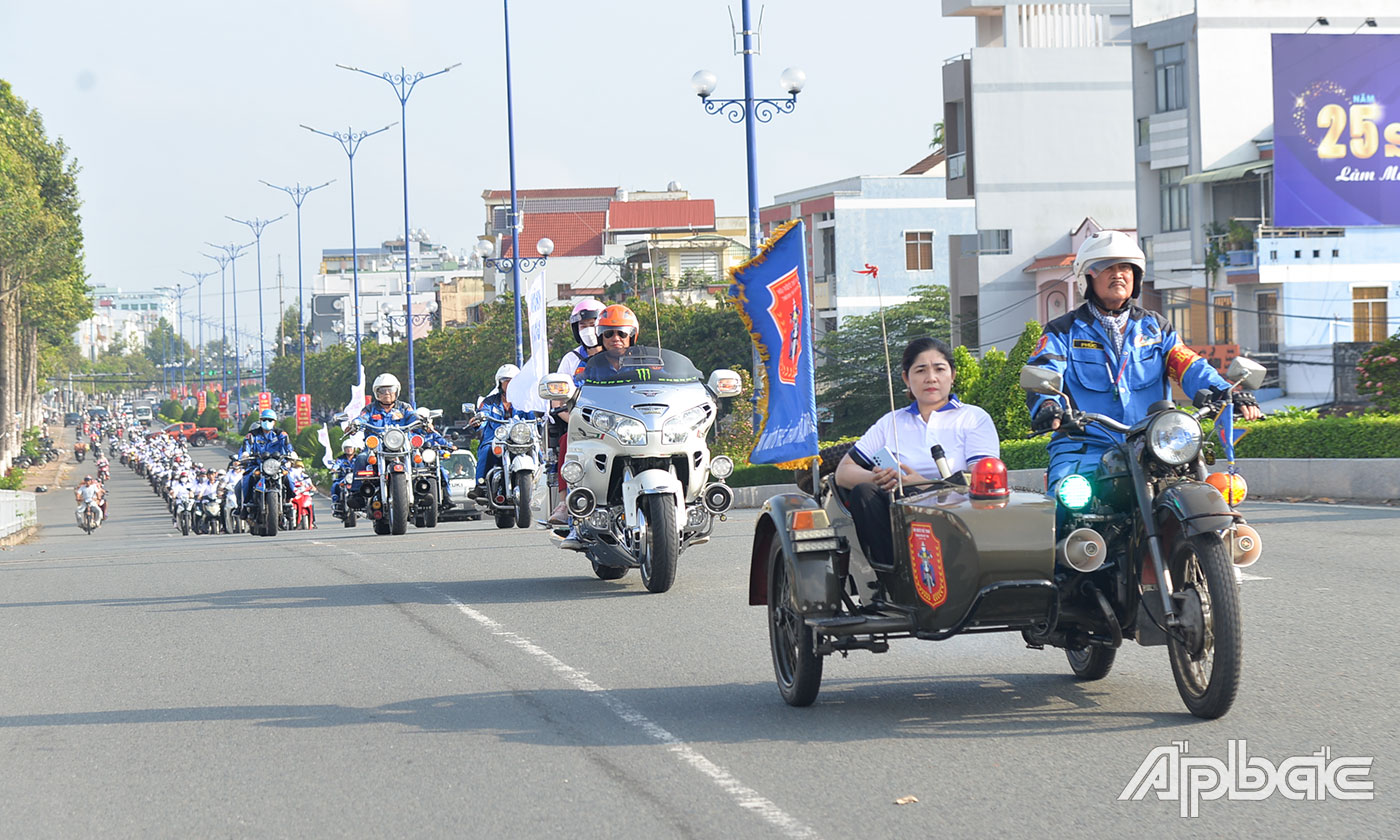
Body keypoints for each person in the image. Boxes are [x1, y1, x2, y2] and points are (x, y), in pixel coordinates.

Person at [1025, 230, 1261, 489]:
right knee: (1066, 498)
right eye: (1106, 267)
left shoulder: (1156, 329)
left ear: (1135, 276)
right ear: (1087, 277)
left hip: (1156, 445)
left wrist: (1227, 393)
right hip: (1084, 446)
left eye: (1125, 267)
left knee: (1208, 496)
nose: (1118, 274)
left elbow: (1190, 366)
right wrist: (1048, 404)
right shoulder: (1063, 331)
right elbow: (1044, 369)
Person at [833, 337, 1000, 566]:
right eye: (920, 370)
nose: (931, 378)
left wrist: (923, 485)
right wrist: (878, 477)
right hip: (897, 511)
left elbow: (981, 479)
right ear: (906, 378)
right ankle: (891, 581)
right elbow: (843, 472)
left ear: (952, 375)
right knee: (864, 491)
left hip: (957, 514)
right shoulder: (890, 422)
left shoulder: (973, 418)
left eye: (939, 369)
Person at [548, 298, 607, 525]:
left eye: (593, 323)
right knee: (565, 442)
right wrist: (575, 420)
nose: (589, 329)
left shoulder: (624, 356)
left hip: (620, 424)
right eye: (583, 325)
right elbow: (557, 403)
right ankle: (564, 503)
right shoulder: (571, 360)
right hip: (581, 425)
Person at [467, 364, 537, 499]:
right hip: (496, 439)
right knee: (486, 450)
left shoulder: (525, 401)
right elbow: (484, 411)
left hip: (520, 439)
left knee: (537, 449)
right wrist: (478, 419)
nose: (510, 384)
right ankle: (480, 485)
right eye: (506, 381)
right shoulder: (490, 401)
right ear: (500, 383)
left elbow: (533, 416)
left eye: (513, 381)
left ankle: (541, 480)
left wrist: (540, 416)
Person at [235, 408, 295, 514]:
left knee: (289, 479)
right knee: (247, 479)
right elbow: (246, 446)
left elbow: (287, 445)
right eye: (264, 419)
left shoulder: (280, 434)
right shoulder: (252, 435)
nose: (267, 422)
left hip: (277, 465)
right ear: (260, 420)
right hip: (257, 464)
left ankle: (288, 500)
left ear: (274, 422)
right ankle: (245, 505)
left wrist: (291, 453)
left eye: (270, 420)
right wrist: (245, 454)